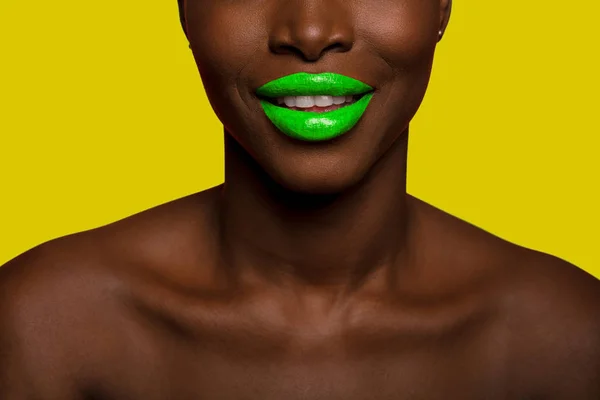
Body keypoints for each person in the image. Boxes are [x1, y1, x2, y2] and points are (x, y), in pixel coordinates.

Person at [1, 0, 599, 398]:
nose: (311, 34)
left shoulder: (573, 340)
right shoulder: (42, 330)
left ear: (443, 5)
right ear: (183, 9)